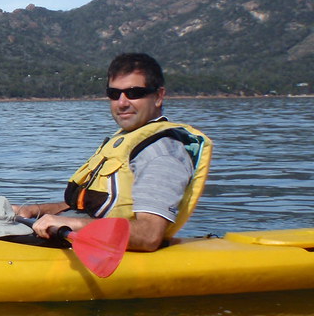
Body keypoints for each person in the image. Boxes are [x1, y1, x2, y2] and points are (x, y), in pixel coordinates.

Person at [14, 53, 211, 251]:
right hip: (74, 240)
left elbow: (149, 235)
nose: (122, 103)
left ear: (158, 96)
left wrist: (73, 224)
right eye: (114, 94)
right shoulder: (126, 140)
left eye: (134, 93)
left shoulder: (161, 153)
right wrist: (34, 210)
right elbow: (89, 207)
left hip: (106, 251)